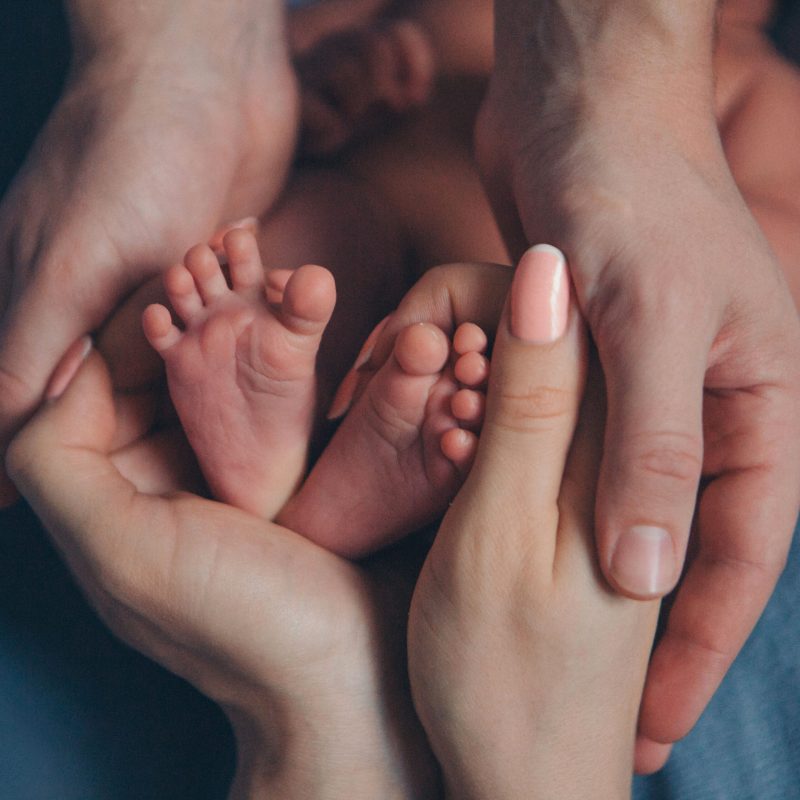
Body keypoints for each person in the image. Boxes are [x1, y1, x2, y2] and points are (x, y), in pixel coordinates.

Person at [2, 0, 799, 780]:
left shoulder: (755, 88)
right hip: (364, 304)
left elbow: (764, 276)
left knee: (525, 399)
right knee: (306, 254)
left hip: (514, 360)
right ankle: (275, 433)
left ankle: (314, 480)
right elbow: (280, 71)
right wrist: (338, 82)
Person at [7, 245, 662, 799]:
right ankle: (315, 496)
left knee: (333, 241)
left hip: (399, 290)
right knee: (350, 260)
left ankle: (295, 498)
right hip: (520, 576)